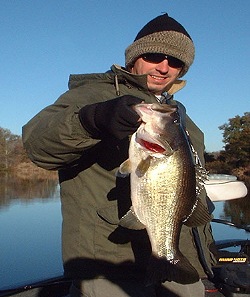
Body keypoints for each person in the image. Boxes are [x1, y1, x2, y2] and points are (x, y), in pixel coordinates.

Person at [22, 13, 217, 297]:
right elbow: (37, 145)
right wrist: (92, 119)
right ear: (134, 57)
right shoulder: (92, 94)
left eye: (175, 62)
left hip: (179, 259)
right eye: (154, 55)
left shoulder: (178, 115)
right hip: (110, 262)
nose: (164, 67)